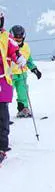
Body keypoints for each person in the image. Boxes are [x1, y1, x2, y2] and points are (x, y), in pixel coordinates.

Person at [0, 13, 27, 160]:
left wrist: (19, 58)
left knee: (2, 114)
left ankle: (2, 145)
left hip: (3, 80)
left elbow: (13, 51)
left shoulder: (6, 37)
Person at [9, 25, 43, 118]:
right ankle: (3, 113)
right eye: (16, 39)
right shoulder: (7, 46)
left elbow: (29, 60)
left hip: (22, 74)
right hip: (10, 74)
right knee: (7, 93)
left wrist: (34, 69)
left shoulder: (26, 47)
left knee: (23, 92)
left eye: (20, 40)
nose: (18, 42)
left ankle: (23, 109)